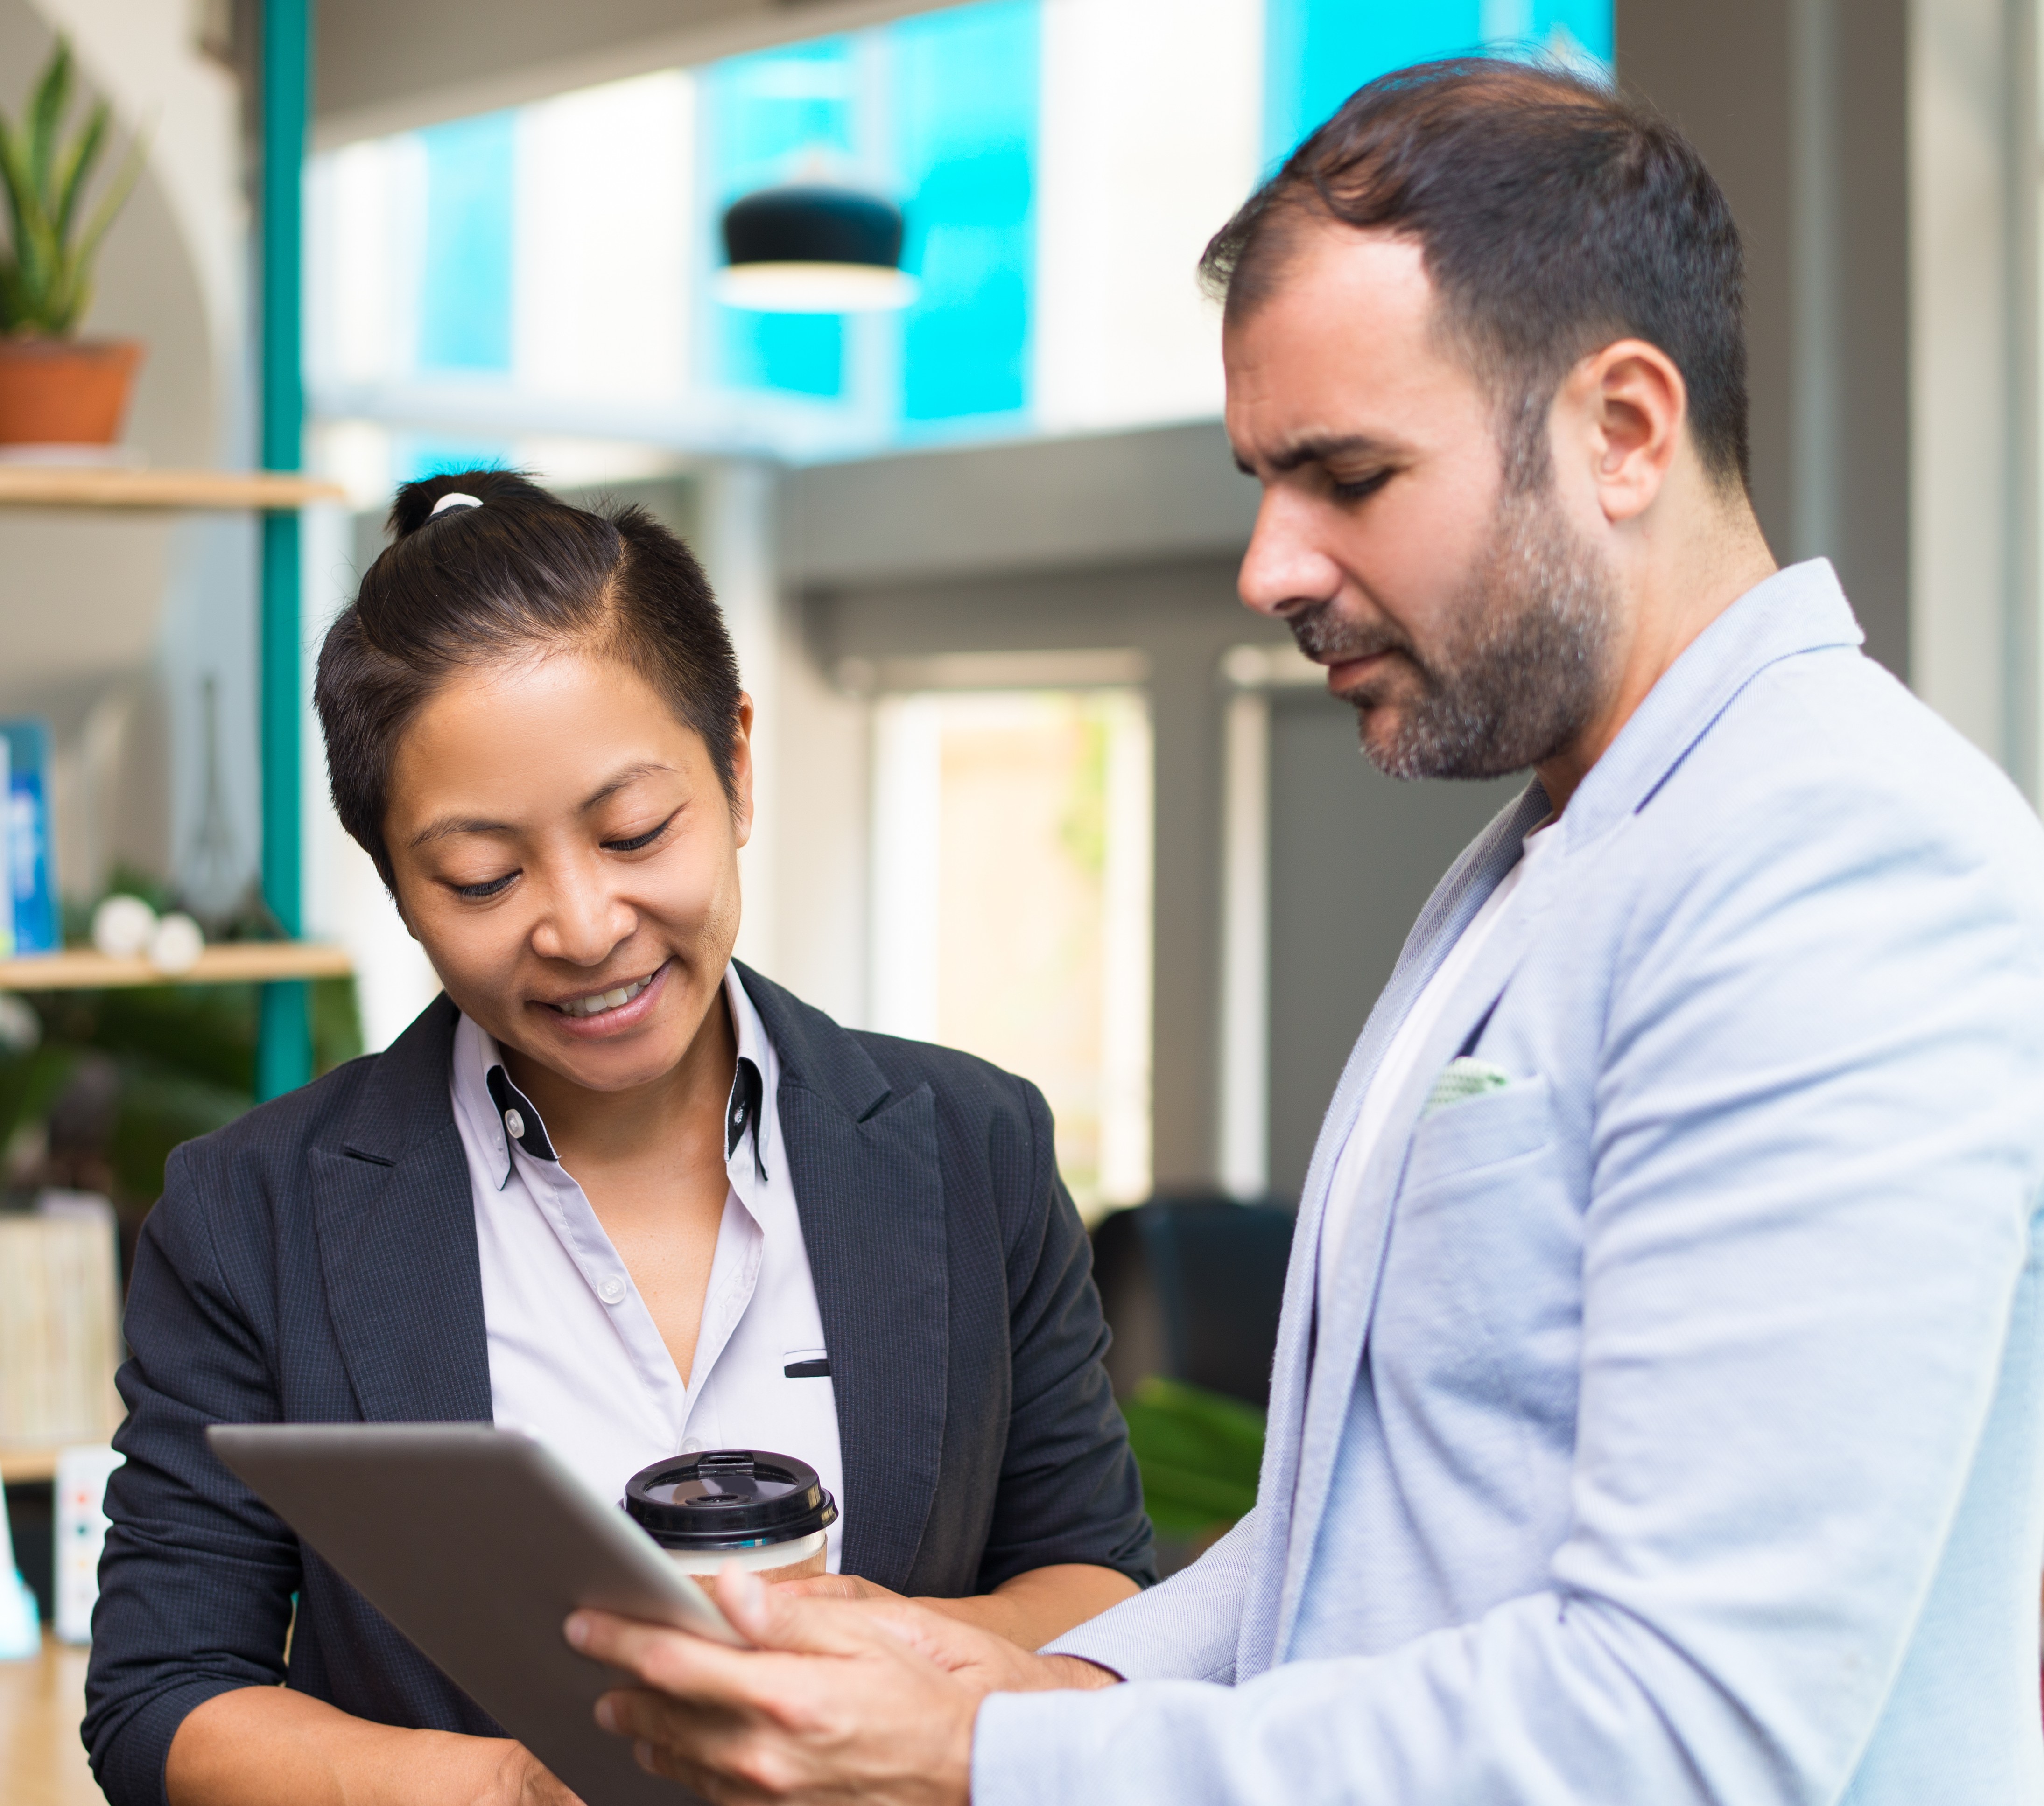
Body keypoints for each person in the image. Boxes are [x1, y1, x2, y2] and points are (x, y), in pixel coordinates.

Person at [565, 56, 2044, 1806]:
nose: (1267, 567)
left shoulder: (1839, 859)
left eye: (1347, 475)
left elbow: (1679, 1725)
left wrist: (987, 1759)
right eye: (1267, 479)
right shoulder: (1549, 848)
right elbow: (1378, 1509)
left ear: (1624, 432)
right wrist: (1050, 1671)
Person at [81, 471, 1155, 1806]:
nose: (585, 928)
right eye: (481, 877)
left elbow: (1099, 1583)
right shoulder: (253, 1213)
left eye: (635, 831)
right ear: (395, 880)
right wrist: (523, 1789)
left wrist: (887, 1669)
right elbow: (163, 1701)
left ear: (738, 766)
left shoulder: (971, 1147)